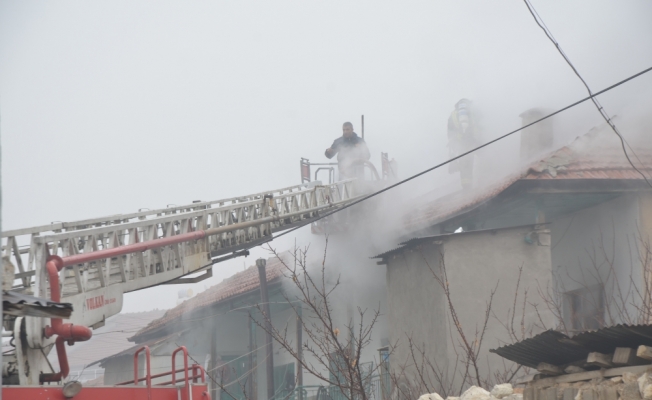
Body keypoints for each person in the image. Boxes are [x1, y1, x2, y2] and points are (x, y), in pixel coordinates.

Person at [447, 99, 480, 190]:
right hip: (472, 141)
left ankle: (466, 188)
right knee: (483, 158)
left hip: (460, 144)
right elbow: (478, 126)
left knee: (465, 166)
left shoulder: (453, 115)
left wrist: (453, 145)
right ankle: (486, 179)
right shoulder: (471, 112)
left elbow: (450, 132)